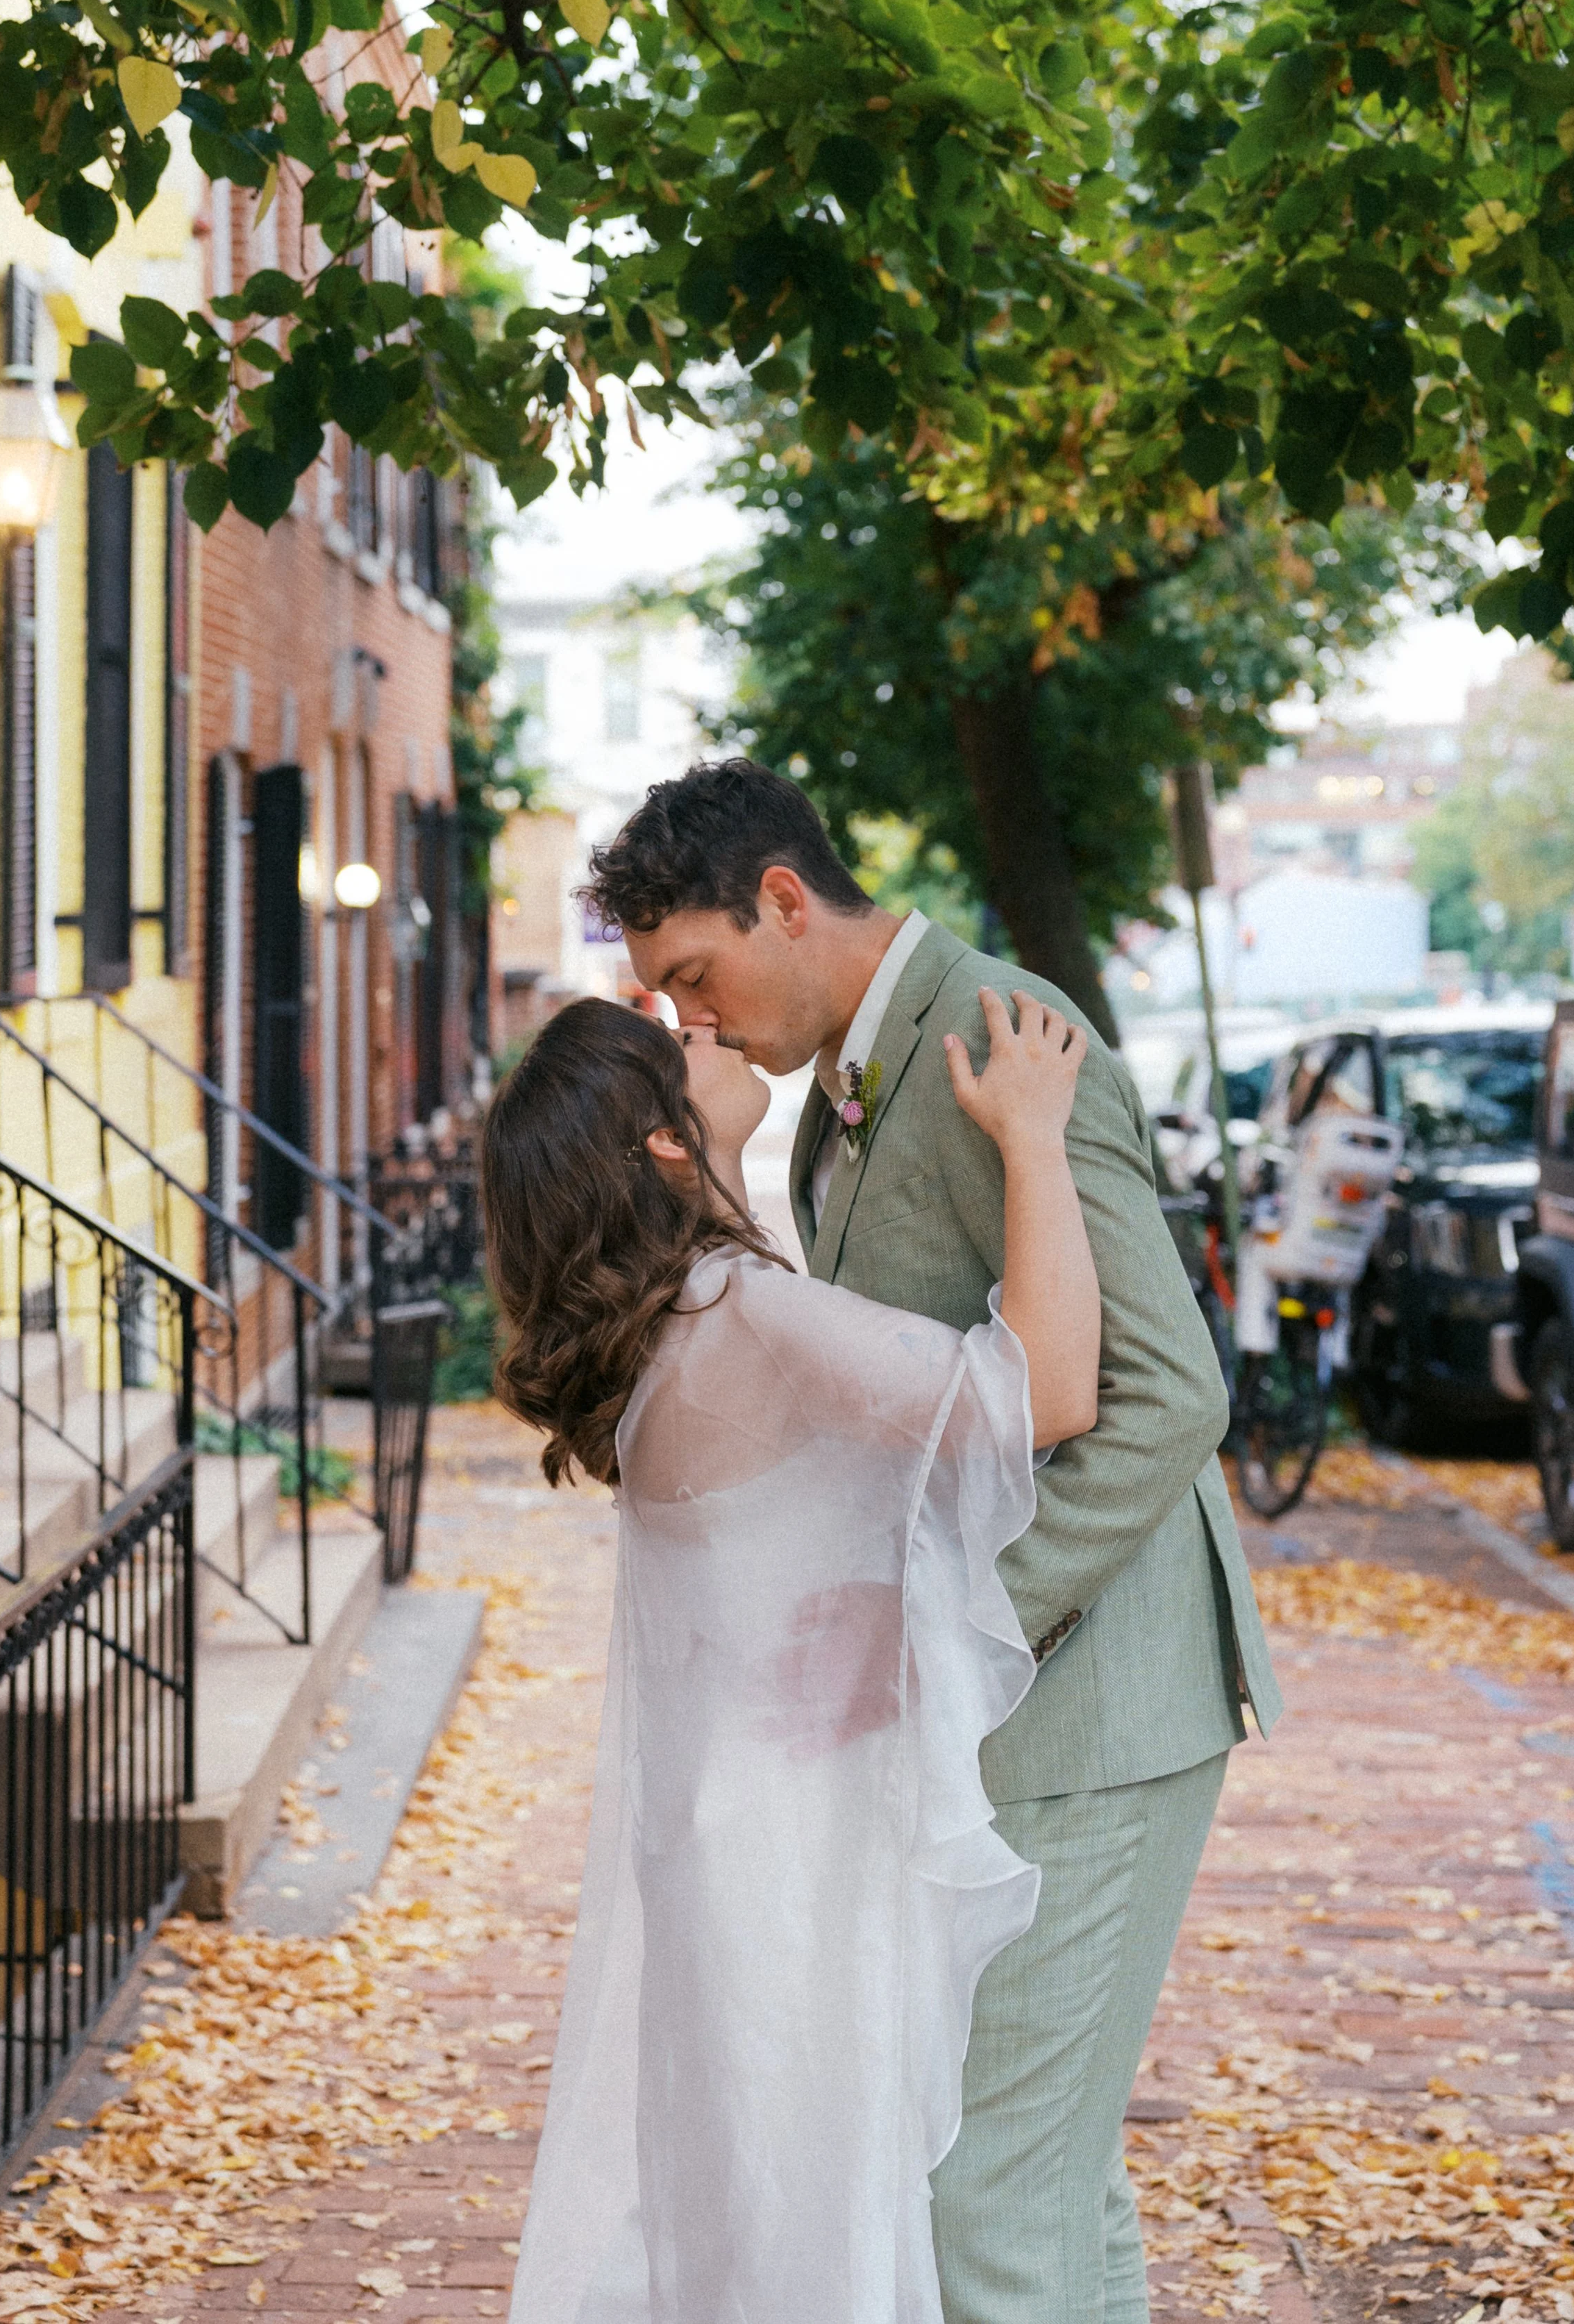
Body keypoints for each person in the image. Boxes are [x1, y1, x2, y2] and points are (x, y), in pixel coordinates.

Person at [585, 759, 1282, 2324]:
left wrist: (943, 1627)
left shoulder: (993, 1036)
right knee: (1041, 2176)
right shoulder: (851, 1072)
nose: (686, 1019)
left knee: (982, 2197)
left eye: (691, 976)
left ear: (780, 899)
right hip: (1015, 1718)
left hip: (1097, 1703)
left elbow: (1169, 1399)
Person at [487, 986, 1102, 2324]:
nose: (704, 1031)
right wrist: (1038, 1139)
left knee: (759, 2211)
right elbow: (1046, 1390)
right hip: (791, 1847)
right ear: (661, 1140)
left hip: (730, 1827)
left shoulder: (672, 1333)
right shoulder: (738, 1311)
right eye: (680, 1047)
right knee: (811, 2224)